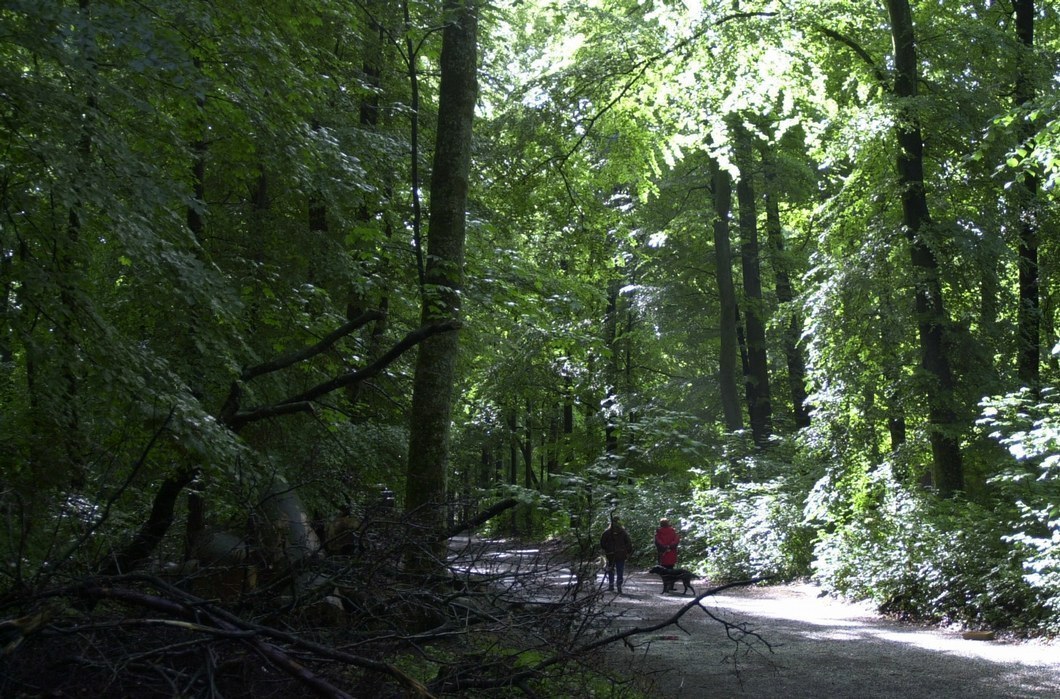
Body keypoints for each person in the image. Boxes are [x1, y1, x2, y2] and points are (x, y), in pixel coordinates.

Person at [599, 516, 634, 593]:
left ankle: (611, 585)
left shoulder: (606, 532)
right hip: (621, 554)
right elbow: (629, 544)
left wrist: (607, 549)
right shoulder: (623, 532)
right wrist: (628, 552)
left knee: (610, 569)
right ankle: (619, 586)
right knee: (620, 570)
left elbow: (602, 543)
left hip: (610, 554)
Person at [654, 517, 680, 590]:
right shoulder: (673, 531)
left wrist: (664, 547)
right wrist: (671, 546)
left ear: (661, 524)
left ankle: (666, 586)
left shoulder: (658, 532)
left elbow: (657, 541)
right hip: (672, 552)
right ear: (668, 523)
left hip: (663, 553)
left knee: (663, 570)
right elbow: (676, 540)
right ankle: (671, 585)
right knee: (671, 569)